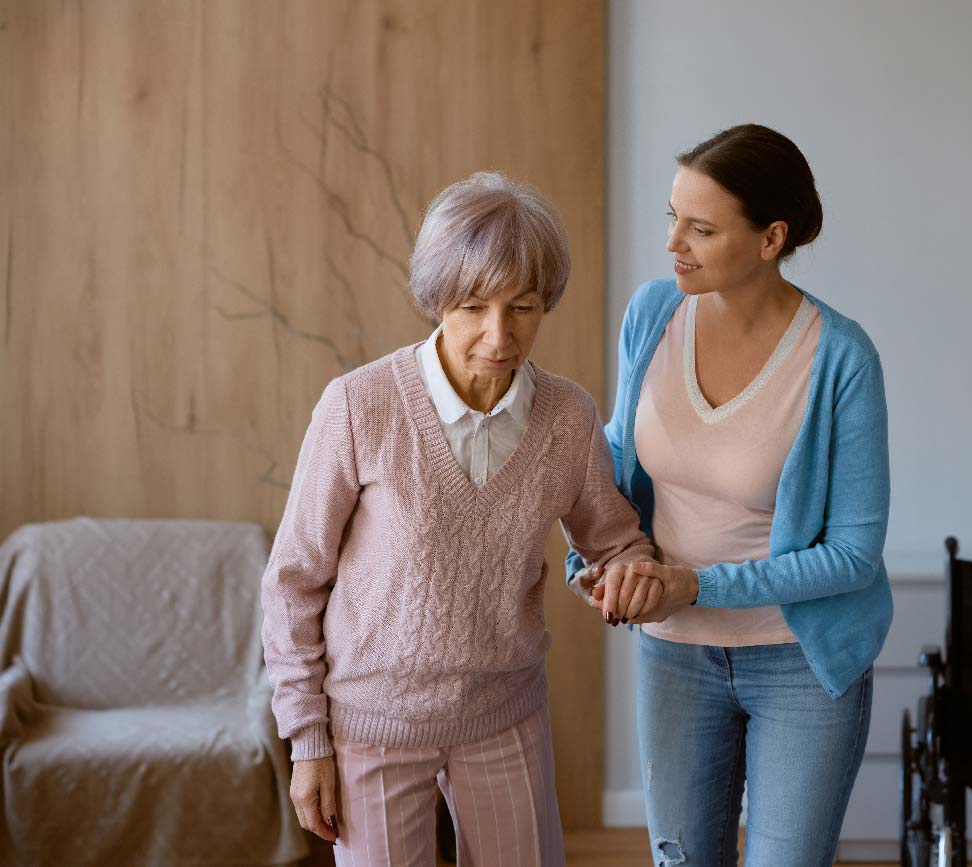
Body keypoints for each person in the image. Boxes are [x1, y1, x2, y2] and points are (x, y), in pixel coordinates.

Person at [262, 171, 652, 867]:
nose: (499, 336)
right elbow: (294, 580)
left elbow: (612, 539)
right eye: (474, 306)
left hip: (505, 715)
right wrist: (308, 740)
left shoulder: (567, 416)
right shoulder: (359, 406)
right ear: (438, 299)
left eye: (523, 307)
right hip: (373, 722)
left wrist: (628, 573)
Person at [572, 124, 892, 867]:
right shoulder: (652, 316)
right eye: (672, 216)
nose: (673, 242)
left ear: (770, 237)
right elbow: (617, 466)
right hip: (675, 653)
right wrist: (602, 560)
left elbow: (851, 554)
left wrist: (696, 584)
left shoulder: (840, 358)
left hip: (797, 659)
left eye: (702, 228)